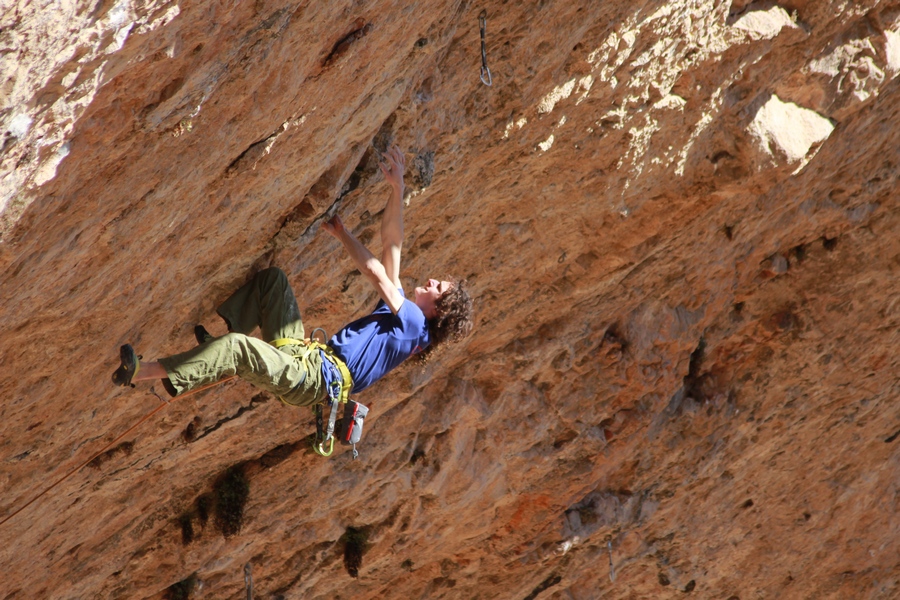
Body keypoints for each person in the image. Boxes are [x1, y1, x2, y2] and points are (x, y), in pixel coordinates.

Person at [112, 146, 473, 408]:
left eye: (437, 288)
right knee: (273, 283)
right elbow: (392, 243)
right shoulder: (405, 322)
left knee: (238, 350)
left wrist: (342, 233)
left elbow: (376, 271)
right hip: (306, 359)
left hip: (312, 379)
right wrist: (398, 189)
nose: (430, 282)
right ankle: (213, 348)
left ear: (438, 310)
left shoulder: (414, 326)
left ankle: (141, 372)